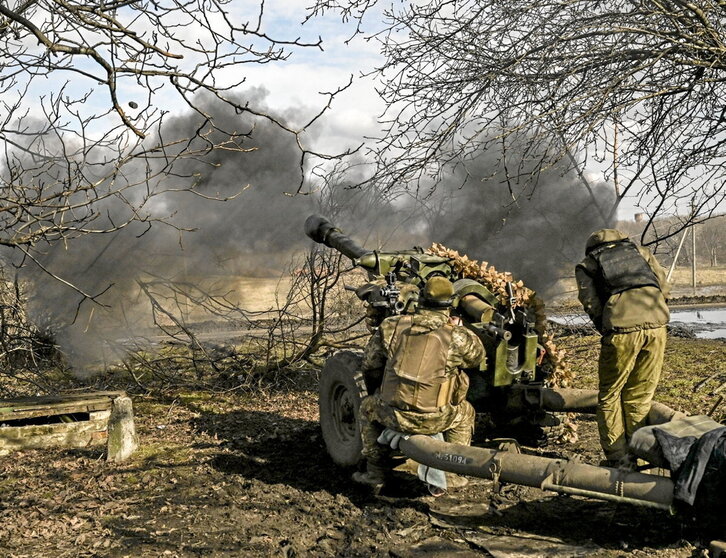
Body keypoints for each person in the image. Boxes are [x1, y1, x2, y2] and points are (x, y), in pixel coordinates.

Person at [352, 276, 485, 490]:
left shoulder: (391, 327)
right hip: (437, 418)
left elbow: (370, 364)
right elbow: (476, 358)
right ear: (450, 304)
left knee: (367, 408)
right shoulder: (458, 337)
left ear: (421, 299)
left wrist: (380, 392)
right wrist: (457, 327)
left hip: (393, 415)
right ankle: (451, 475)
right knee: (465, 412)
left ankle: (375, 473)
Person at [575, 229, 671, 465]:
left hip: (621, 330)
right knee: (639, 396)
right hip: (658, 325)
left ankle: (620, 460)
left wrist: (607, 327)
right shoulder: (641, 252)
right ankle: (642, 453)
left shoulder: (587, 264)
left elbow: (591, 303)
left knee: (609, 395)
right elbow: (664, 288)